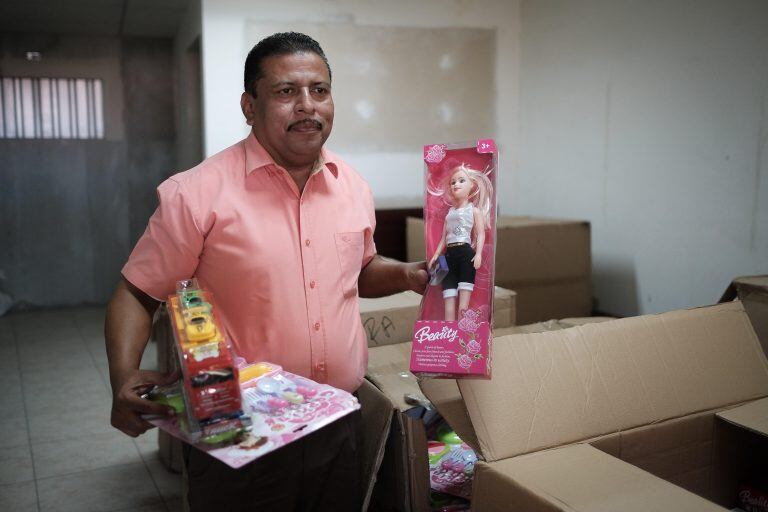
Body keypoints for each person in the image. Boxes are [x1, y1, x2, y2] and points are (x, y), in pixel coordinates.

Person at [105, 31, 427, 511]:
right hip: (236, 431)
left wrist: (405, 274)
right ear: (249, 106)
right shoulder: (196, 194)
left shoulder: (352, 186)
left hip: (337, 421)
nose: (306, 106)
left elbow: (357, 271)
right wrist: (121, 375)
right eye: (285, 92)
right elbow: (136, 293)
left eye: (319, 90)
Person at [428, 164, 492, 320]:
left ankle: (461, 335)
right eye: (453, 182)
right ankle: (450, 334)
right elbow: (444, 237)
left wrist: (478, 254)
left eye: (461, 181)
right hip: (448, 257)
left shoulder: (474, 211)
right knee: (448, 300)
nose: (456, 184)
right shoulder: (450, 213)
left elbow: (481, 234)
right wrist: (436, 254)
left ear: (472, 185)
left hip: (466, 255)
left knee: (464, 303)